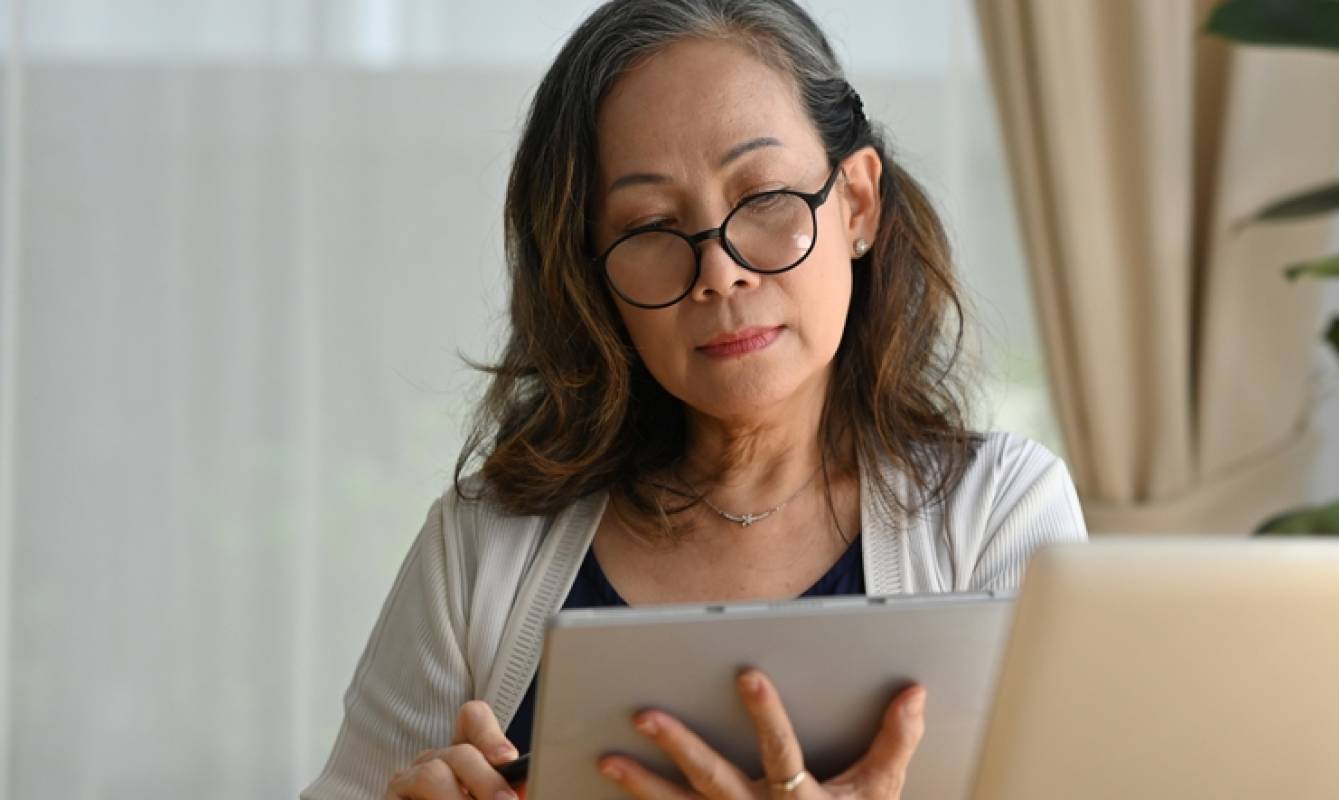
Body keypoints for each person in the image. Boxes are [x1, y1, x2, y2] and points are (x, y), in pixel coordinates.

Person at [301, 1, 1085, 798]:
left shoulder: (1000, 514)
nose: (720, 270)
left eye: (767, 196)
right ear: (593, 274)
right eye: (649, 225)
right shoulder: (478, 549)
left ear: (856, 202)